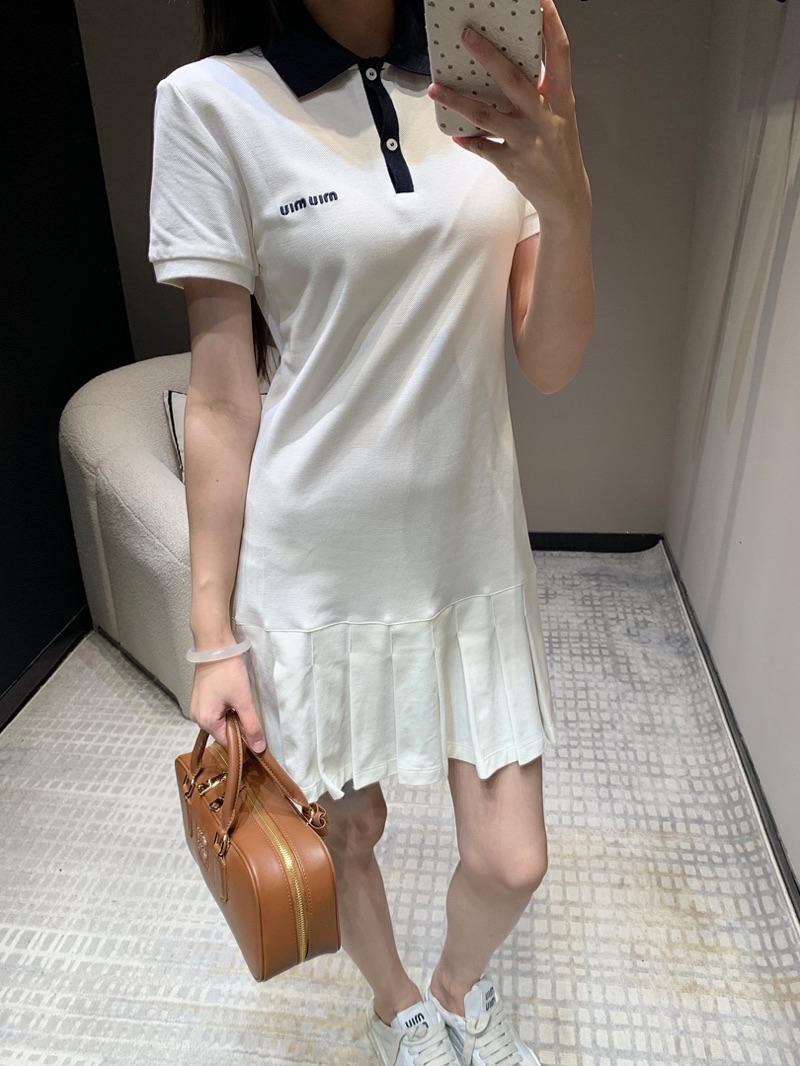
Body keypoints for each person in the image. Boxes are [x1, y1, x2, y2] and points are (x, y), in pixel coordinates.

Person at [149, 0, 593, 1062]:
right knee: (346, 831)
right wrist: (211, 634)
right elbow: (222, 399)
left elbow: (549, 361)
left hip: (470, 558)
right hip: (315, 566)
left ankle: (455, 987)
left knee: (512, 858)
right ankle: (398, 1008)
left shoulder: (484, 77)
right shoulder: (209, 103)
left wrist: (567, 196)